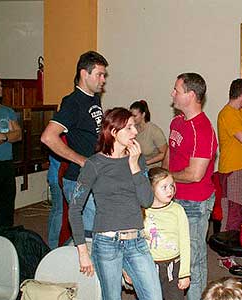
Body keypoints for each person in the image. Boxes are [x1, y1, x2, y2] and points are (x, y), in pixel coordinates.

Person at [68, 107, 162, 300]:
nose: (135, 132)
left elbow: (147, 200)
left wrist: (135, 166)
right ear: (113, 131)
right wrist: (83, 252)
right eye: (129, 128)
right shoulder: (94, 164)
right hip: (106, 243)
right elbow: (75, 209)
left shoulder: (137, 159)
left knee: (154, 296)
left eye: (134, 127)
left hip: (136, 242)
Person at [162, 72, 218, 300]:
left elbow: (195, 175)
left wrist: (167, 178)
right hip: (172, 197)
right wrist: (160, 180)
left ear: (191, 95)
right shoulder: (176, 121)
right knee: (171, 255)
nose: (172, 93)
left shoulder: (203, 130)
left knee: (193, 259)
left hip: (195, 204)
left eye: (177, 90)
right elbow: (170, 154)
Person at [41, 51, 108, 237]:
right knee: (88, 235)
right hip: (78, 179)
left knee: (96, 230)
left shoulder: (94, 98)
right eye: (99, 75)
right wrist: (81, 160)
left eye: (104, 75)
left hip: (93, 176)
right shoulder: (72, 102)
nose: (103, 79)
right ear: (84, 74)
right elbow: (48, 137)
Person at [217, 79, 242, 269]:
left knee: (240, 212)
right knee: (232, 212)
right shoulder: (227, 113)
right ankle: (225, 255)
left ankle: (233, 250)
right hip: (233, 169)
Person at [144, 167, 190, 300]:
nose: (170, 190)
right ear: (151, 189)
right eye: (164, 187)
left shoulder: (177, 210)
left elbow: (185, 242)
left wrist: (184, 273)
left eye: (172, 185)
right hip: (148, 267)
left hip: (173, 267)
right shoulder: (141, 211)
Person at [0, 74, 22, 228]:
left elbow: (18, 134)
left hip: (6, 164)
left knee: (6, 205)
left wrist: (3, 137)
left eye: (1, 85)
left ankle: (4, 238)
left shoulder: (8, 111)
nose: (0, 88)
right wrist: (8, 135)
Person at [130, 100, 168, 168]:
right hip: (137, 166)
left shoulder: (154, 131)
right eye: (131, 116)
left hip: (152, 169)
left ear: (143, 115)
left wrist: (146, 163)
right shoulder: (132, 129)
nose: (132, 118)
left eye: (135, 116)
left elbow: (164, 153)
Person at [46, 153, 63, 249]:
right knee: (59, 212)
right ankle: (53, 245)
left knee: (57, 211)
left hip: (57, 176)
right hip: (58, 178)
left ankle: (53, 243)